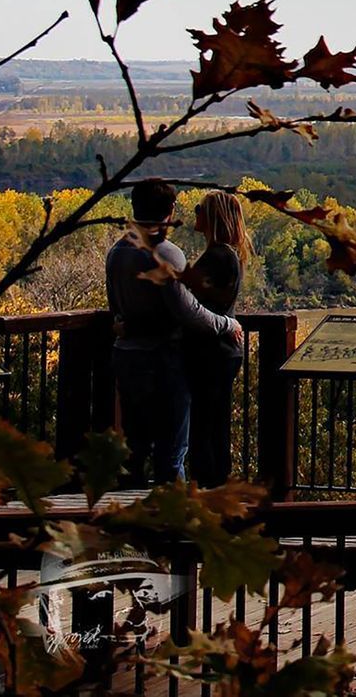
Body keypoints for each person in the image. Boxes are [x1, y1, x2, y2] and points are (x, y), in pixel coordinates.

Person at [106, 180, 243, 484]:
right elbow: (186, 311)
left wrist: (124, 325)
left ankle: (130, 514)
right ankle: (174, 519)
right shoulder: (167, 254)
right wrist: (227, 324)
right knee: (171, 451)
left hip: (126, 356)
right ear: (169, 211)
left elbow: (115, 305)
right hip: (162, 358)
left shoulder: (117, 252)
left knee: (134, 447)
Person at [180, 191, 249, 487]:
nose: (194, 213)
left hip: (212, 352)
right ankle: (216, 485)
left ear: (212, 217)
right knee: (215, 421)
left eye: (199, 209)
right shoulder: (226, 256)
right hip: (222, 351)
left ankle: (208, 486)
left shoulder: (217, 256)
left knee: (204, 425)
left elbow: (189, 302)